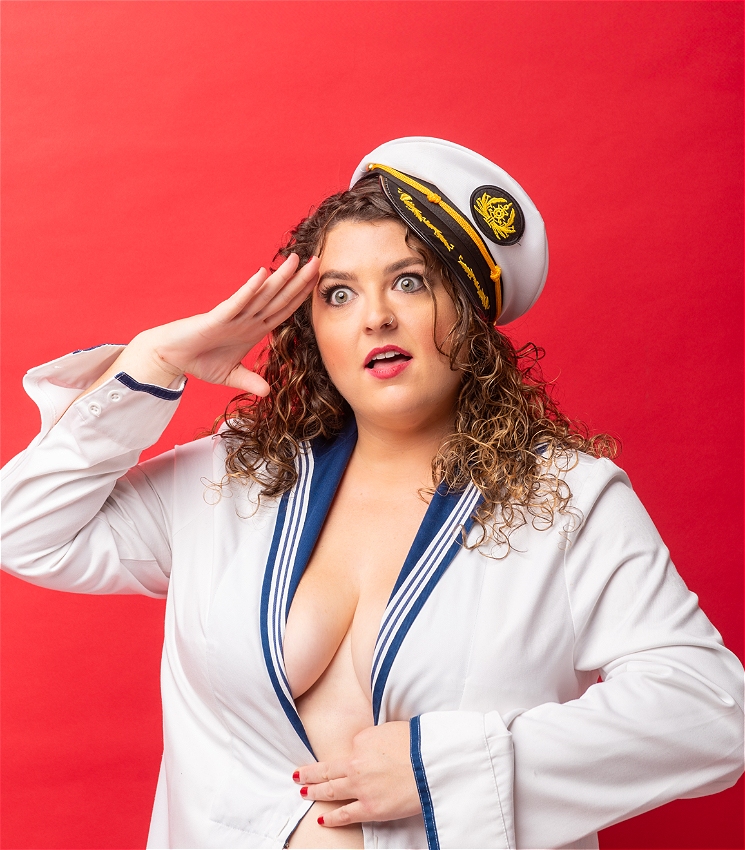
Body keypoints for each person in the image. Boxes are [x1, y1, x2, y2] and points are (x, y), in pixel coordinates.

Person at [1, 137, 742, 850]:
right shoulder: (233, 481)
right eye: (337, 293)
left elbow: (712, 714)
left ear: (469, 315)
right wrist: (151, 363)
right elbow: (23, 530)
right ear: (310, 326)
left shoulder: (566, 499)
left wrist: (443, 768)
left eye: (410, 282)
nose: (375, 316)